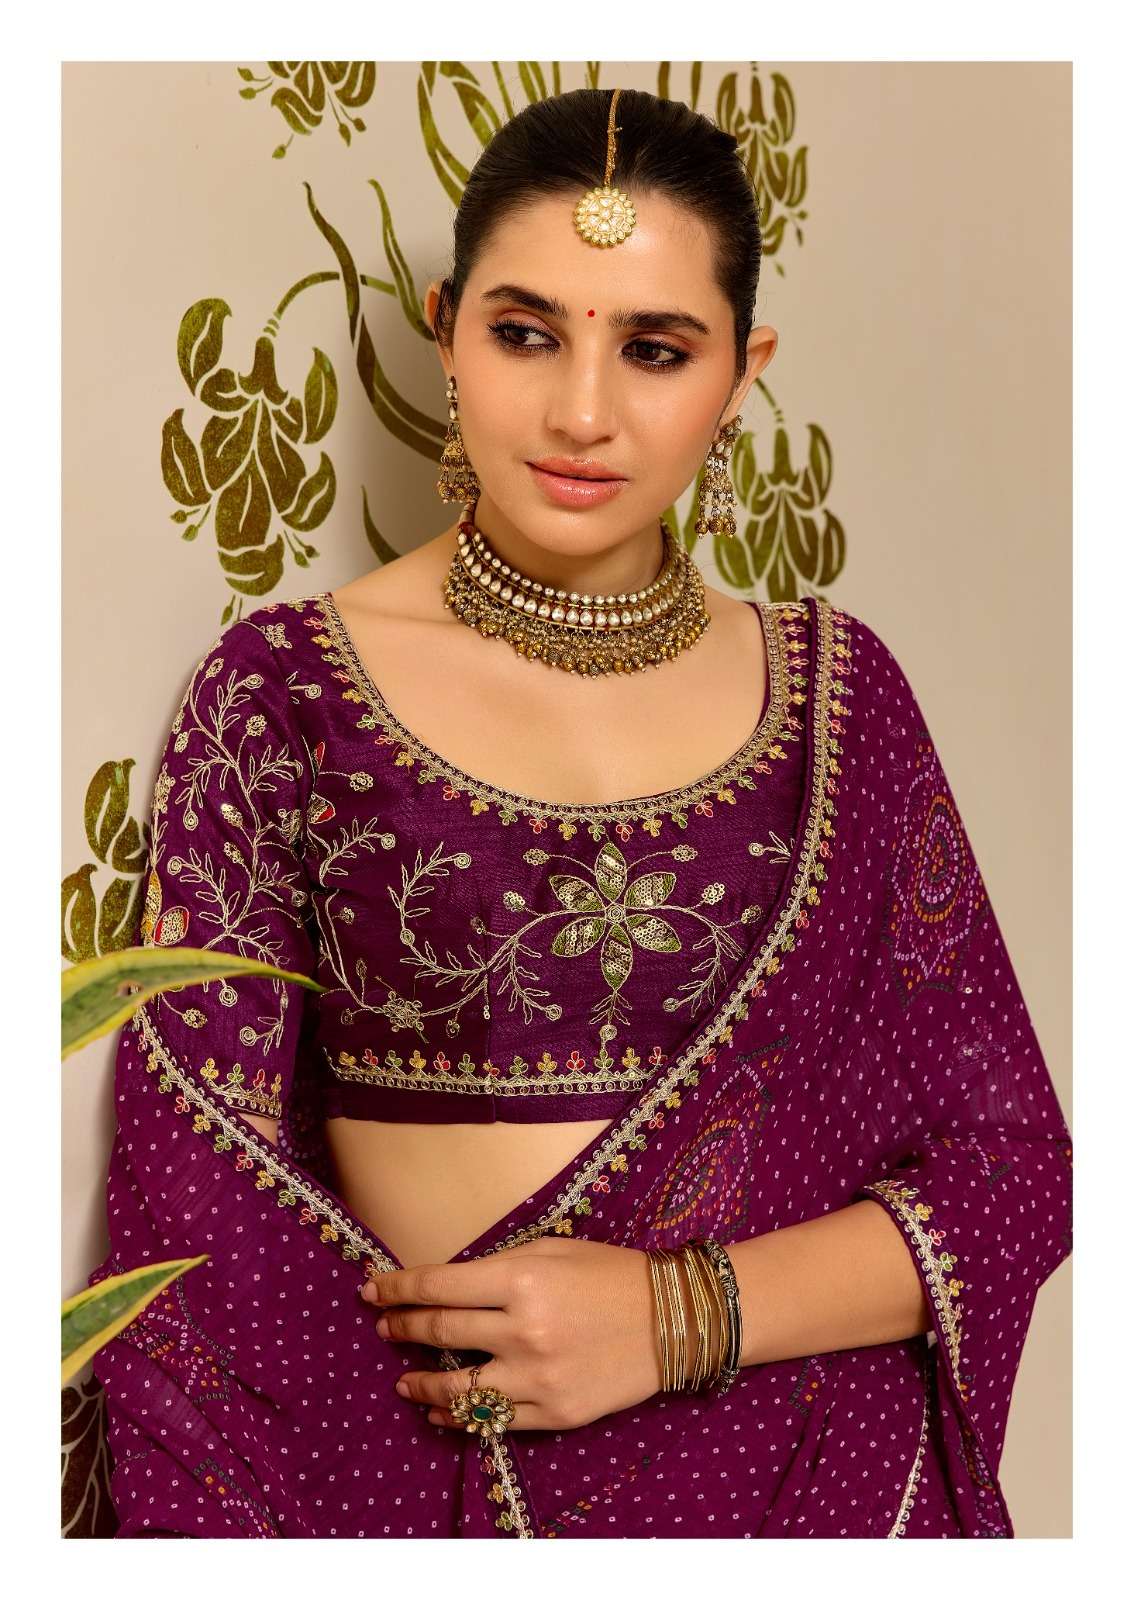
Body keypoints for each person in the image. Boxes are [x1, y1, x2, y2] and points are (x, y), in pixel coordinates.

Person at [88, 86, 1071, 1539]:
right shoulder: (284, 692)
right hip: (435, 1495)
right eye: (526, 332)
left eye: (656, 350)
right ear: (446, 329)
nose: (582, 413)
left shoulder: (840, 698)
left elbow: (1011, 1172)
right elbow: (199, 1220)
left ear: (742, 372)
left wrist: (678, 1317)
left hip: (814, 1491)